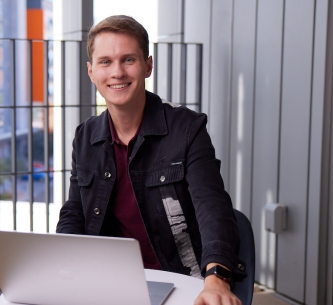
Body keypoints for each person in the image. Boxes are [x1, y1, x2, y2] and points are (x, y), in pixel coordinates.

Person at [56, 15, 246, 305]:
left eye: (128, 60)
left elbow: (212, 205)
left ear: (148, 65)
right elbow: (75, 212)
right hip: (110, 282)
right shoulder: (85, 136)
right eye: (105, 62)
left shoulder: (186, 129)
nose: (117, 72)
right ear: (91, 71)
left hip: (181, 279)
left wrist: (217, 277)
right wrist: (61, 265)